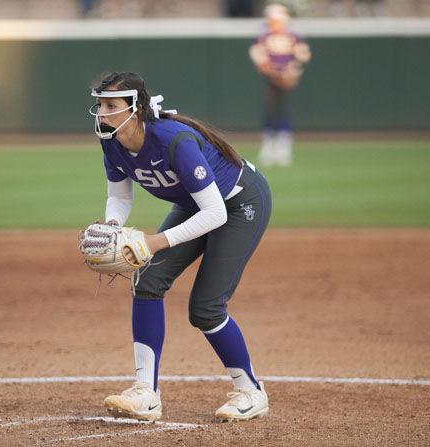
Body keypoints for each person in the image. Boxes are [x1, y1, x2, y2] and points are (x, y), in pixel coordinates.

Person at [88, 72, 272, 422]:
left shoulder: (174, 141)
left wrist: (154, 242)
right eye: (99, 105)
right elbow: (119, 195)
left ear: (136, 109)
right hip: (196, 205)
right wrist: (113, 228)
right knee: (148, 281)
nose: (102, 113)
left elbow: (215, 212)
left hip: (238, 204)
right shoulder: (111, 141)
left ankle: (250, 390)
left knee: (205, 307)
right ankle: (146, 393)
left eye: (111, 106)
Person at [249, 3, 311, 167]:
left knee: (283, 111)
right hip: (270, 79)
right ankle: (269, 147)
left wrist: (292, 72)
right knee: (270, 111)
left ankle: (284, 148)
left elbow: (302, 57)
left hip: (285, 79)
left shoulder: (294, 37)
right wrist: (277, 74)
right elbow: (259, 59)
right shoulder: (262, 37)